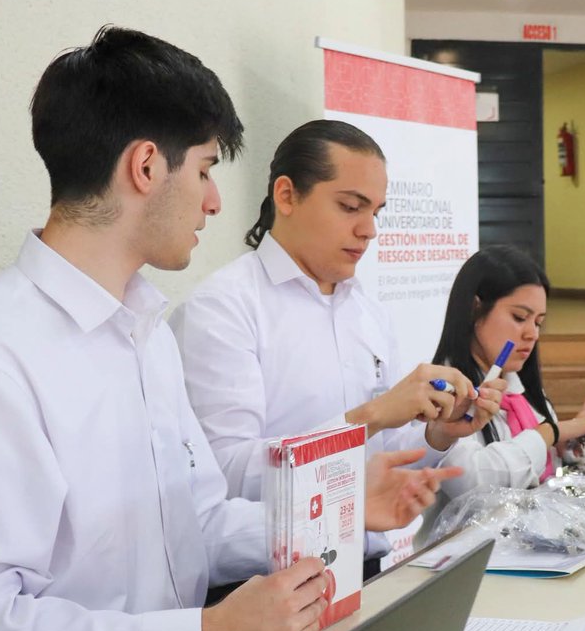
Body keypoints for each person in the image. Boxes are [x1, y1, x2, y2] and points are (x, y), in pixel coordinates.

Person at [0, 27, 450, 631]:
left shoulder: (145, 333)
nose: (214, 202)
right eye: (207, 170)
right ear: (147, 166)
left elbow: (199, 523)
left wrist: (336, 516)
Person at [169, 120, 500, 565]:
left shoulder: (368, 313)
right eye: (350, 207)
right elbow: (227, 474)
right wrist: (370, 417)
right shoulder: (222, 309)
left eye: (376, 212)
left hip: (368, 563)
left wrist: (437, 434)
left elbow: (383, 458)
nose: (369, 230)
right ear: (286, 195)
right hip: (271, 575)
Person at [422, 246, 585, 538]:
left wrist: (566, 450)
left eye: (538, 322)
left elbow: (535, 478)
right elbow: (472, 483)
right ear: (475, 308)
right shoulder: (442, 391)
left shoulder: (521, 389)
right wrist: (551, 432)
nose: (532, 334)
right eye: (519, 317)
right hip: (468, 554)